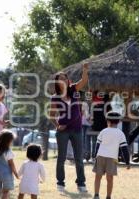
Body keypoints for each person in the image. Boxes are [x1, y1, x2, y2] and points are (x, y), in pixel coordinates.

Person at [49, 63, 89, 193]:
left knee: (79, 158)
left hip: (77, 129)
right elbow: (51, 116)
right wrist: (57, 126)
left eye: (65, 78)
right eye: (60, 78)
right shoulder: (55, 97)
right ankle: (60, 183)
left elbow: (84, 81)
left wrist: (85, 70)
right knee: (61, 158)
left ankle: (81, 183)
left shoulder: (73, 89)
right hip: (63, 131)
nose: (63, 80)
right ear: (57, 82)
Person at [93, 112, 130, 199]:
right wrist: (127, 162)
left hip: (100, 156)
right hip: (112, 158)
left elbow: (97, 145)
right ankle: (108, 196)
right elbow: (124, 149)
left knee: (98, 177)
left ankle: (96, 195)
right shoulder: (120, 133)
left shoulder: (103, 131)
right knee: (110, 179)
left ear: (107, 121)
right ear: (118, 122)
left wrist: (95, 156)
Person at [0, 130, 19, 199]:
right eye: (11, 141)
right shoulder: (8, 151)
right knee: (5, 191)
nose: (12, 142)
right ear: (8, 141)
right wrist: (16, 174)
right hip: (6, 174)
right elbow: (12, 165)